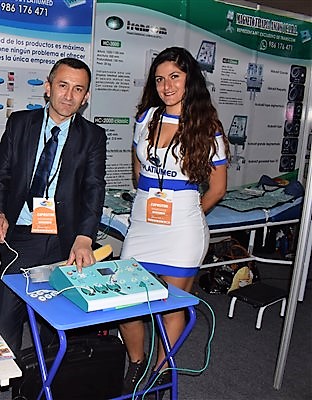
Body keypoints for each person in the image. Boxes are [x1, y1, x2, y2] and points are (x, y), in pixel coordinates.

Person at [119, 47, 228, 396]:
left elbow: (218, 188)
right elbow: (138, 171)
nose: (166, 86)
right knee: (126, 303)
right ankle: (136, 362)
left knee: (171, 306)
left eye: (175, 77)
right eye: (159, 79)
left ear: (189, 79)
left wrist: (189, 212)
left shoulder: (207, 126)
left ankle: (160, 371)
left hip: (182, 230)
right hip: (143, 225)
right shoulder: (146, 118)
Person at [0, 57, 107, 355]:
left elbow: (94, 189)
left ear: (86, 97)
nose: (69, 95)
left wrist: (85, 237)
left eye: (78, 89)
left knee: (57, 320)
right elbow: (0, 174)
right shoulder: (20, 123)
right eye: (63, 85)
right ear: (48, 87)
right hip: (21, 235)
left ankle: (46, 375)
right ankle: (6, 375)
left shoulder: (92, 136)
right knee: (6, 320)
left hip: (65, 239)